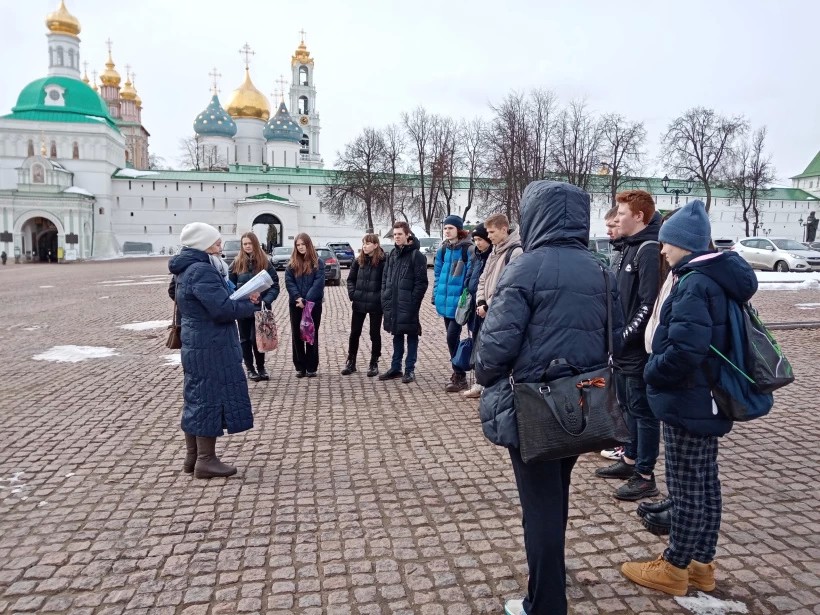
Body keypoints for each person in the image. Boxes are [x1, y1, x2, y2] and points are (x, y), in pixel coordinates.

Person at [476, 181, 624, 615]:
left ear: (534, 215)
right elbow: (612, 337)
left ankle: (545, 603)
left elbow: (495, 349)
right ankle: (552, 579)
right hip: (583, 401)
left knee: (539, 507)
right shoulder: (600, 267)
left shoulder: (525, 268)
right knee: (556, 494)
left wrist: (484, 373)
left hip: (534, 405)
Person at [621, 199, 757, 596]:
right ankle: (701, 564)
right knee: (703, 483)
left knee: (685, 486)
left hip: (689, 398)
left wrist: (652, 372)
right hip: (703, 398)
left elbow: (685, 350)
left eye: (668, 243)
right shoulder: (708, 276)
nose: (662, 249)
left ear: (686, 243)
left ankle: (676, 565)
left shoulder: (696, 282)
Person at [168, 222, 260, 479]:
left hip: (197, 341)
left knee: (196, 396)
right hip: (211, 344)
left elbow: (175, 293)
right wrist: (248, 306)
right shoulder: (202, 270)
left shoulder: (185, 268)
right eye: (216, 242)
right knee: (207, 398)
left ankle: (192, 457)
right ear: (202, 243)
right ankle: (206, 461)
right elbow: (222, 310)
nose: (221, 246)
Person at [595, 190, 662, 502]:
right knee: (626, 406)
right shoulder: (628, 247)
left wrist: (625, 336)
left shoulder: (648, 249)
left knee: (642, 410)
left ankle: (645, 475)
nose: (616, 218)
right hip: (621, 349)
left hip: (635, 350)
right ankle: (630, 460)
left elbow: (648, 304)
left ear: (639, 216)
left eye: (622, 213)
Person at [380, 221, 428, 384]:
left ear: (408, 235)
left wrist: (413, 302)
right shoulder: (392, 254)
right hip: (393, 302)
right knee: (397, 334)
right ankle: (395, 367)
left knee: (412, 335)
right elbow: (385, 277)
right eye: (394, 234)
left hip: (408, 303)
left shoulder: (417, 255)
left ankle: (409, 369)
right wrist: (385, 295)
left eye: (400, 234)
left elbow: (421, 283)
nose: (397, 237)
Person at [229, 232, 281, 382]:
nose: (247, 246)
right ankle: (250, 368)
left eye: (250, 243)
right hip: (243, 308)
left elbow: (275, 285)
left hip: (260, 308)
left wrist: (265, 299)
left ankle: (261, 367)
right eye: (245, 244)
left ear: (255, 244)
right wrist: (241, 296)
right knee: (245, 339)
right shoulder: (236, 263)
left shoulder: (265, 262)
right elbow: (229, 286)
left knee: (257, 338)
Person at [433, 215, 474, 393]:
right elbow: (437, 275)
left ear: (458, 229)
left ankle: (460, 374)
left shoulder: (468, 249)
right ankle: (458, 374)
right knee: (451, 338)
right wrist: (435, 295)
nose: (447, 231)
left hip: (459, 303)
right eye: (445, 228)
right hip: (445, 302)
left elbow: (470, 276)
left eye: (450, 228)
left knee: (452, 337)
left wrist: (466, 298)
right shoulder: (443, 249)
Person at [600, 205, 625, 461]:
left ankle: (628, 447)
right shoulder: (618, 251)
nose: (609, 232)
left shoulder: (641, 250)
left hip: (626, 333)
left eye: (613, 225)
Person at [342, 234, 386, 377]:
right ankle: (351, 361)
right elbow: (350, 280)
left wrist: (380, 297)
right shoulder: (358, 261)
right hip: (359, 302)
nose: (365, 246)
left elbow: (386, 282)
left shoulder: (382, 261)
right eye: (363, 244)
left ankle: (374, 362)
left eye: (368, 243)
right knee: (355, 332)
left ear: (375, 245)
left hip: (375, 303)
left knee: (374, 333)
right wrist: (353, 294)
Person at [285, 233, 325, 378]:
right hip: (296, 304)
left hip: (313, 305)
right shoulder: (292, 264)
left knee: (311, 334)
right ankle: (300, 366)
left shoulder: (318, 263)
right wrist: (298, 298)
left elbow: (318, 283)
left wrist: (307, 300)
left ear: (308, 244)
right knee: (297, 334)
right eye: (298, 245)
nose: (301, 247)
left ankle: (311, 366)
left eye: (303, 244)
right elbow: (289, 282)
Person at [462, 223, 492, 399]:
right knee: (476, 342)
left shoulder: (492, 257)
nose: (477, 243)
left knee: (486, 346)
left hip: (487, 307)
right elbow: (472, 277)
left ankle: (485, 382)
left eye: (480, 239)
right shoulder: (476, 255)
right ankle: (478, 381)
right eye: (475, 240)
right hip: (475, 304)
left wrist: (485, 303)